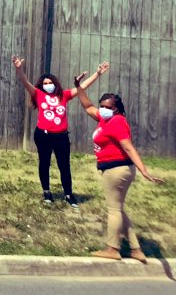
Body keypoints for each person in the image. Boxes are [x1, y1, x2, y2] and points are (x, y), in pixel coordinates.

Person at [74, 63, 164, 262]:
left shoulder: (116, 122)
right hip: (116, 168)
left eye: (109, 107)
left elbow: (129, 147)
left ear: (117, 109)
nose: (104, 110)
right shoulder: (105, 120)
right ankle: (135, 249)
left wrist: (144, 171)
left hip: (116, 169)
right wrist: (78, 87)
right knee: (119, 208)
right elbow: (88, 106)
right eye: (103, 106)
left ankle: (112, 249)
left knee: (113, 209)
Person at [12, 55, 107, 208]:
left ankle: (68, 194)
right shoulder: (38, 94)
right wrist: (19, 70)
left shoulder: (64, 95)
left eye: (50, 83)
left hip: (61, 137)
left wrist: (98, 74)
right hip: (43, 135)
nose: (48, 85)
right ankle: (46, 192)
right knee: (44, 163)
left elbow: (81, 88)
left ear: (55, 84)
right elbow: (25, 82)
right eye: (45, 83)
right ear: (41, 86)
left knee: (64, 166)